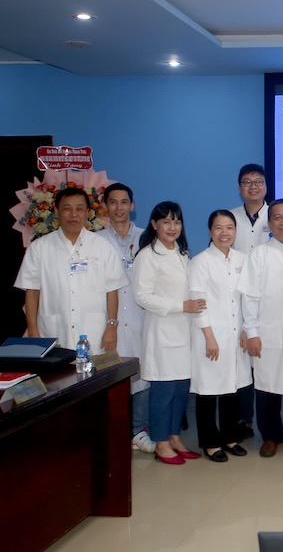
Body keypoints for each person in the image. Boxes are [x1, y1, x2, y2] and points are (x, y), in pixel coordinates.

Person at [238, 199, 283, 458]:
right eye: (278, 218)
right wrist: (252, 332)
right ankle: (270, 436)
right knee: (267, 384)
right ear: (269, 224)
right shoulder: (259, 254)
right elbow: (249, 296)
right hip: (268, 330)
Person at [133, 201, 205, 465]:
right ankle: (160, 441)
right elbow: (142, 296)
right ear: (154, 225)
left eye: (176, 221)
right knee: (163, 392)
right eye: (166, 221)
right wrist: (180, 306)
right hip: (162, 332)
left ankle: (174, 437)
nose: (172, 227)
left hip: (185, 333)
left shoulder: (183, 254)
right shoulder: (147, 256)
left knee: (180, 390)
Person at [15, 186, 126, 354]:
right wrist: (32, 330)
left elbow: (112, 290)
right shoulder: (39, 248)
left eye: (79, 209)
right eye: (67, 208)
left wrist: (111, 327)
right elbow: (32, 291)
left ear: (87, 212)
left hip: (94, 334)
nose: (73, 214)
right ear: (57, 211)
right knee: (57, 379)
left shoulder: (102, 246)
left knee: (94, 378)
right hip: (53, 332)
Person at [189, 210, 252, 462]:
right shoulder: (200, 261)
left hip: (236, 334)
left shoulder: (242, 259)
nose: (224, 233)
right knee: (208, 390)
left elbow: (247, 298)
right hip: (210, 335)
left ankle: (229, 436)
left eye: (229, 227)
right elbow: (198, 302)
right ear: (209, 231)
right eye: (218, 227)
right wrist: (209, 337)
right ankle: (210, 442)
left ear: (236, 231)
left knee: (232, 387)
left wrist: (247, 329)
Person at [97, 183, 153, 453]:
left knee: (142, 374)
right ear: (105, 207)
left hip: (142, 316)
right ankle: (113, 430)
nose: (119, 208)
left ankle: (139, 430)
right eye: (113, 202)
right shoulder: (95, 241)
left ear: (132, 206)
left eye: (124, 202)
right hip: (109, 319)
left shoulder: (147, 238)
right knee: (109, 373)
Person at [230, 163, 271, 441]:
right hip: (235, 300)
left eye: (258, 181)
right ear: (239, 187)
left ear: (266, 185)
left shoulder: (278, 215)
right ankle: (243, 420)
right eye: (247, 182)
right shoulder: (230, 218)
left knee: (266, 363)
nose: (253, 186)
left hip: (270, 302)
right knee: (242, 364)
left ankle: (271, 423)